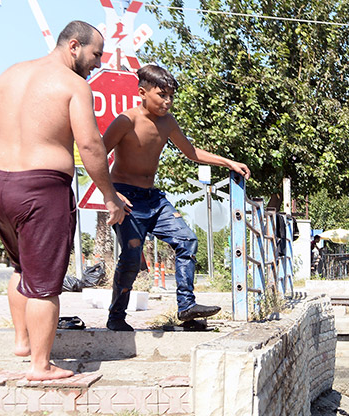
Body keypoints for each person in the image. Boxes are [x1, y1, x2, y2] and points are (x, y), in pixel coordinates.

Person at [0, 21, 127, 380]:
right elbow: (90, 145)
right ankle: (41, 365)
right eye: (96, 54)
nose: (98, 63)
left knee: (21, 267)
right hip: (42, 188)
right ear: (74, 46)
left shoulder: (6, 76)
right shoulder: (73, 85)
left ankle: (22, 342)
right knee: (45, 283)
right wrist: (110, 195)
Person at [103, 64, 250, 331]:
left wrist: (228, 162)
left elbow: (191, 152)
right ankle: (116, 318)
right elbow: (97, 155)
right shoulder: (127, 120)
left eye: (171, 96)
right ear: (142, 93)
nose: (167, 101)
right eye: (162, 95)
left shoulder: (168, 122)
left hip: (154, 199)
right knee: (132, 256)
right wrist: (112, 195)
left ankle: (186, 307)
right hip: (127, 200)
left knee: (187, 239)